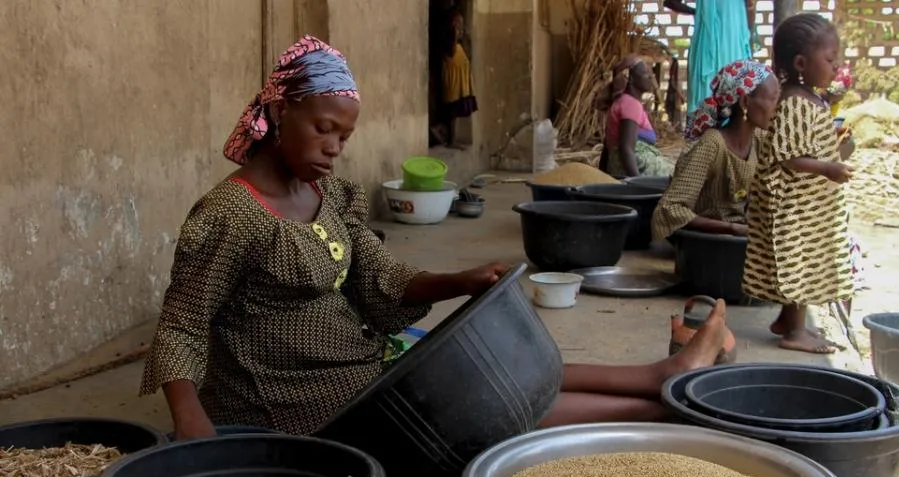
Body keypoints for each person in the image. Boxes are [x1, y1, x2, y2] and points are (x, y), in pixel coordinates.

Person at [141, 36, 730, 440]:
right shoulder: (230, 214)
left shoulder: (330, 197)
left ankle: (656, 379)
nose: (333, 147)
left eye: (343, 137)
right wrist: (192, 420)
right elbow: (183, 324)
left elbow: (383, 279)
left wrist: (460, 281)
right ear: (280, 108)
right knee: (474, 404)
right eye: (323, 128)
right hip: (294, 404)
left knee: (486, 363)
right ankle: (661, 408)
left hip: (358, 364)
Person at [743, 14, 855, 354]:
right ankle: (796, 332)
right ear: (801, 63)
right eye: (831, 59)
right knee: (801, 264)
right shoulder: (794, 102)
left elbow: (806, 143)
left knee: (802, 263)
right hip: (792, 207)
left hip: (806, 204)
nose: (837, 66)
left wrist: (837, 148)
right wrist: (827, 168)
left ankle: (785, 320)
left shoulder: (808, 97)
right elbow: (787, 156)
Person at [651, 60, 780, 241]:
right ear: (745, 101)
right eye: (773, 98)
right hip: (707, 246)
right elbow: (669, 209)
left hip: (741, 241)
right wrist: (732, 228)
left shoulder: (759, 139)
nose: (778, 106)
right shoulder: (712, 145)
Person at [664, 0, 755, 115]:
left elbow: (750, 22)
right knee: (708, 102)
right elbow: (670, 2)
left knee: (732, 105)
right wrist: (699, 11)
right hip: (711, 48)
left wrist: (698, 11)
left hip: (732, 45)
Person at [598, 55, 674, 178]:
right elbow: (626, 148)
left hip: (618, 167)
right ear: (631, 78)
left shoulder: (621, 102)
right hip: (633, 167)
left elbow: (607, 148)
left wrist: (603, 175)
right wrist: (637, 182)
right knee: (681, 175)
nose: (650, 76)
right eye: (645, 73)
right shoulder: (630, 104)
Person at [430, 9, 478, 149]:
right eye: (458, 23)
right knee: (451, 111)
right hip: (453, 82)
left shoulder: (460, 39)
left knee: (456, 112)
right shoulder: (448, 39)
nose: (460, 26)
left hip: (460, 82)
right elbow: (451, 52)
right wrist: (455, 34)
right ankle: (451, 140)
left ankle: (451, 138)